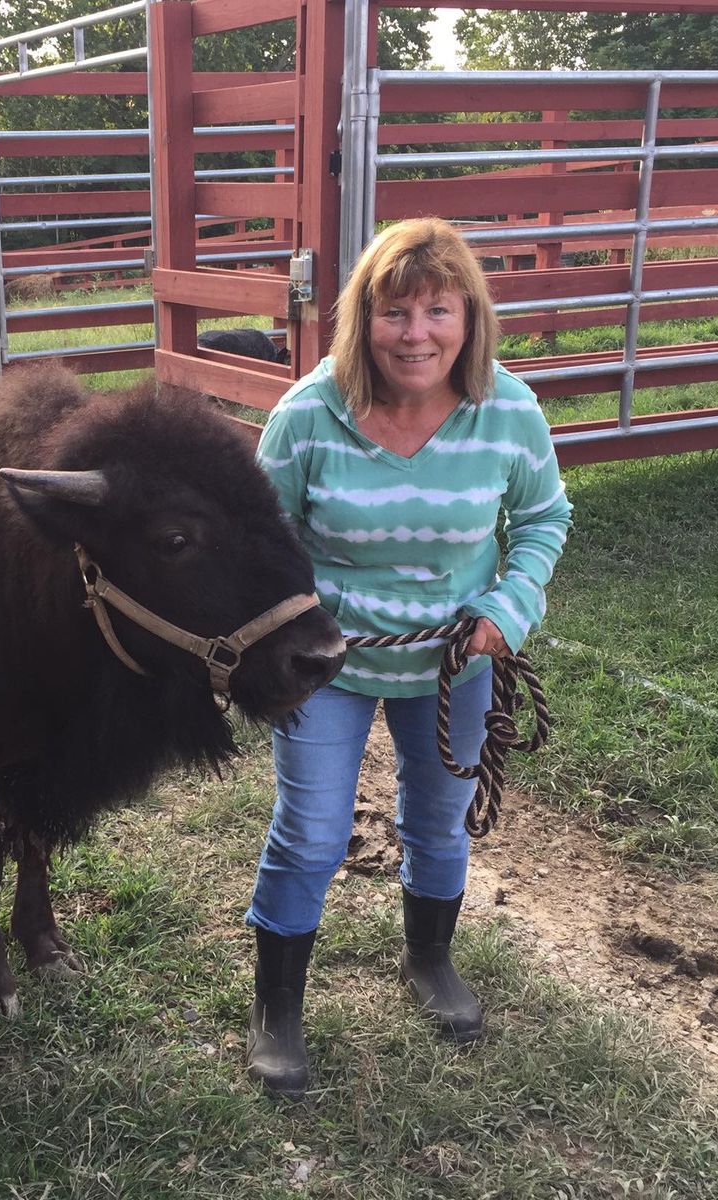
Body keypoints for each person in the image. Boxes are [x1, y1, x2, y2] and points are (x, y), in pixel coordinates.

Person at [245, 218, 573, 1099]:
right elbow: (260, 540)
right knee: (311, 834)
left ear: (469, 317)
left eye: (438, 309)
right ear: (363, 318)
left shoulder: (508, 408)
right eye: (395, 311)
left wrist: (510, 605)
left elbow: (543, 520)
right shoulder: (307, 416)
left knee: (439, 822)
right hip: (327, 664)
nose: (416, 333)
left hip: (452, 665)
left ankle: (429, 959)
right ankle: (277, 1007)